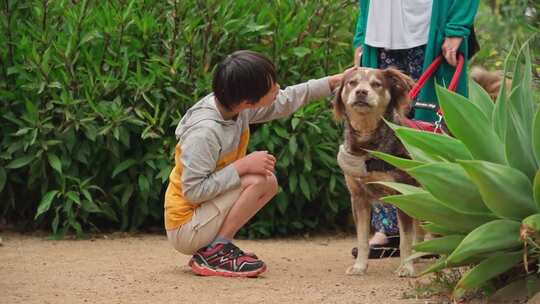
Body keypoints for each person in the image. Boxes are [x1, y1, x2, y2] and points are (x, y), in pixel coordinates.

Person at [164, 50, 344, 277]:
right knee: (260, 179)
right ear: (248, 102)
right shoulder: (205, 132)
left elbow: (285, 101)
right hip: (186, 226)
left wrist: (331, 82)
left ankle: (215, 248)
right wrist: (242, 166)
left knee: (266, 181)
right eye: (271, 89)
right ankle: (218, 251)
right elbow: (193, 191)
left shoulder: (232, 107)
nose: (278, 89)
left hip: (201, 216)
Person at [351, 0, 479, 255]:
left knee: (429, 129)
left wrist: (456, 28)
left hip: (429, 31)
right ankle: (388, 229)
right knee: (380, 133)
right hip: (381, 34)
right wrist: (362, 35)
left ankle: (436, 228)